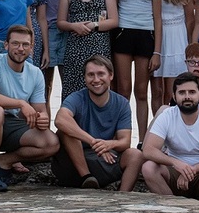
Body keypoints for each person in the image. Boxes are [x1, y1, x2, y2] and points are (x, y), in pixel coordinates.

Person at [0, 25, 60, 192]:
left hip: (11, 126)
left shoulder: (36, 73)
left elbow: (40, 109)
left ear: (32, 47)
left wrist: (43, 118)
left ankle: (6, 161)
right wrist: (21, 103)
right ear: (6, 45)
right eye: (15, 43)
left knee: (51, 143)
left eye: (25, 45)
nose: (20, 49)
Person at [141, 73, 199, 207]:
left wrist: (193, 169)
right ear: (174, 96)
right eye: (182, 92)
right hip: (174, 174)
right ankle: (173, 208)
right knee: (149, 167)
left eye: (192, 92)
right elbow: (148, 150)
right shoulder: (166, 116)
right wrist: (176, 163)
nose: (187, 97)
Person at [53, 55, 143, 191]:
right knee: (65, 131)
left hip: (104, 157)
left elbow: (125, 141)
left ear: (111, 75)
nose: (96, 80)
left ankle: (124, 196)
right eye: (90, 75)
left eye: (101, 74)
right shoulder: (76, 98)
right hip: (75, 162)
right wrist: (93, 142)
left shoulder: (121, 103)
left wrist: (109, 144)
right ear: (84, 78)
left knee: (135, 154)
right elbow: (60, 120)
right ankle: (87, 178)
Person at [111, 0, 163, 140]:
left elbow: (158, 19)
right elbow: (112, 11)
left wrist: (157, 52)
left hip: (145, 35)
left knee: (141, 91)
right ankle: (122, 138)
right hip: (124, 34)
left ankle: (143, 140)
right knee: (123, 90)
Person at [58, 0, 118, 99]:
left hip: (99, 47)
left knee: (99, 88)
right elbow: (60, 22)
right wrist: (73, 26)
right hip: (75, 48)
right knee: (74, 91)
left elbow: (114, 21)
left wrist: (94, 25)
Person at [152, 0, 194, 109]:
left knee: (171, 89)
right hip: (157, 36)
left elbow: (190, 19)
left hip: (177, 36)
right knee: (156, 89)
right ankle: (156, 125)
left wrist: (190, 45)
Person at [42, 0, 77, 101]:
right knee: (44, 87)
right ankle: (44, 124)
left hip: (67, 34)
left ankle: (65, 124)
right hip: (46, 34)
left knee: (68, 86)